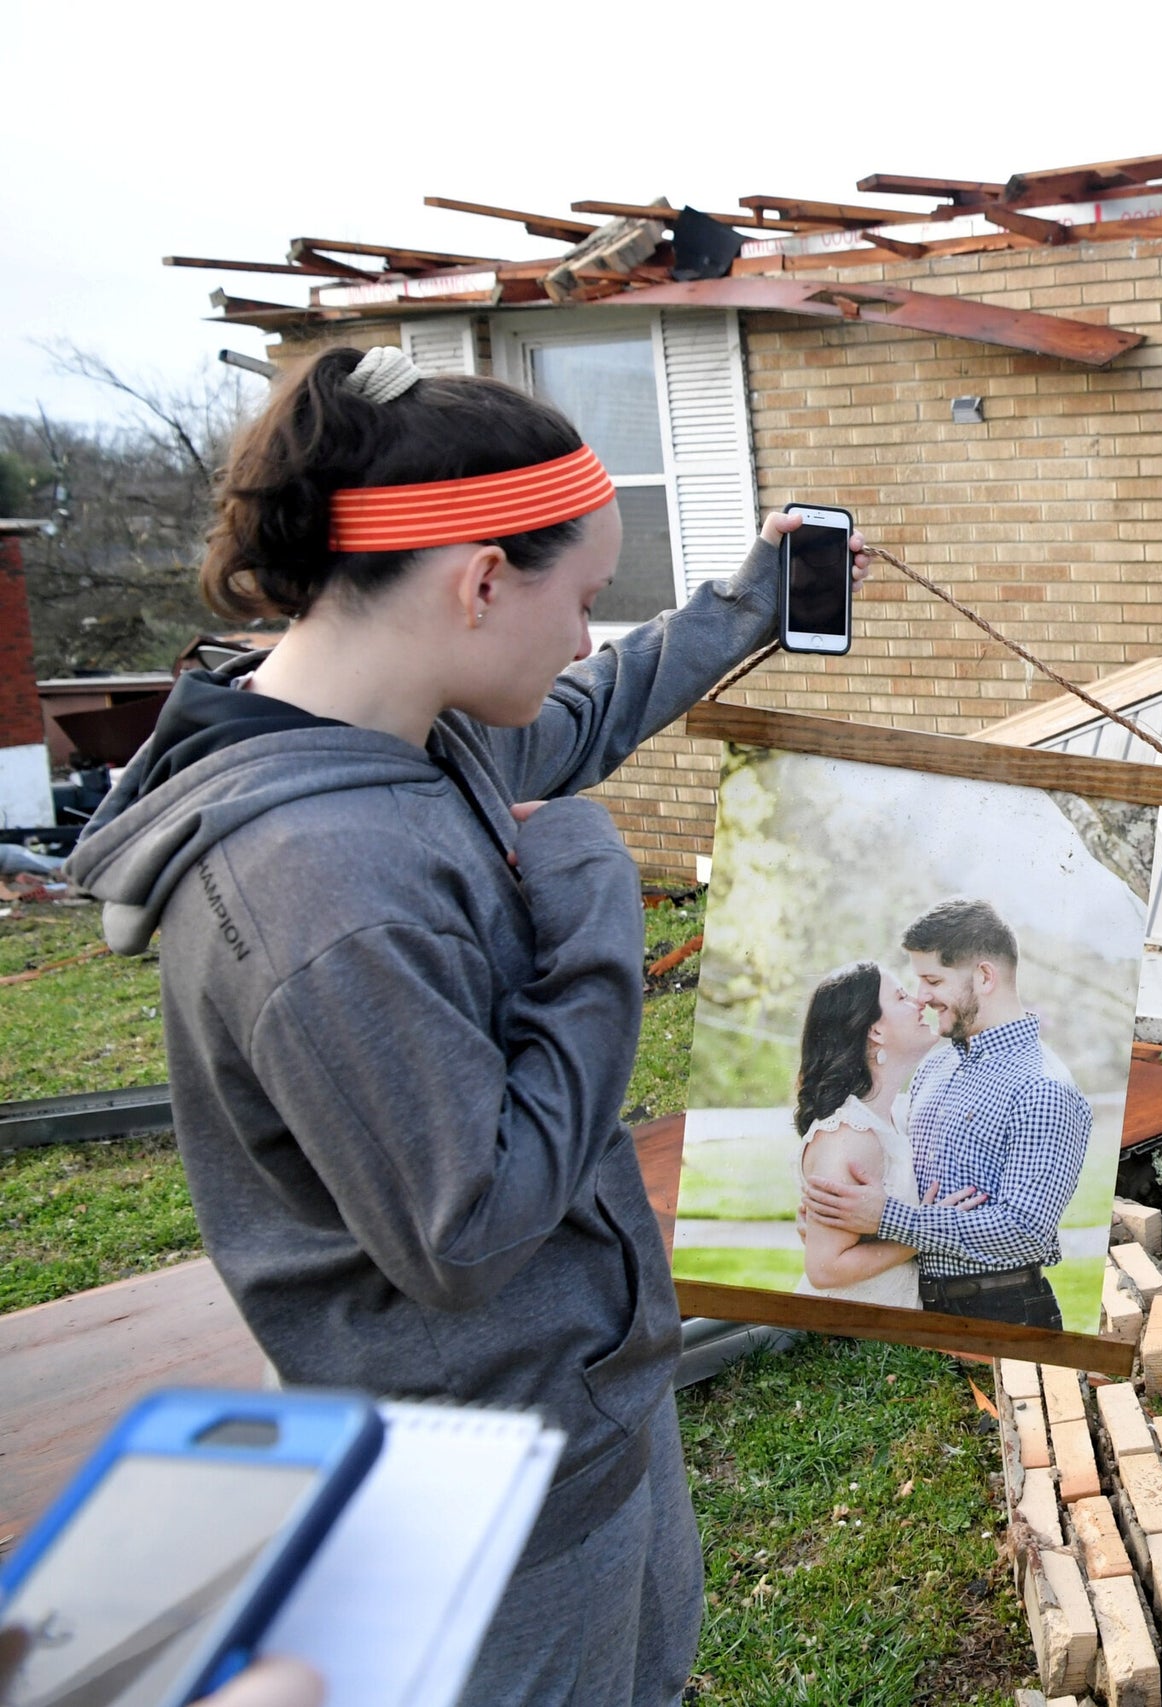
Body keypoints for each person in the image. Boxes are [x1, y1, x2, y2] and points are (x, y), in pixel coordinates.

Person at [63, 343, 871, 1707]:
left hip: (584, 1409)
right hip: (490, 1477)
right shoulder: (322, 891)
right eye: (582, 597)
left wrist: (747, 607)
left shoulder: (414, 726)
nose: (583, 638)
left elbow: (577, 713)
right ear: (480, 578)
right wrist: (597, 911)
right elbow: (470, 1226)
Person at [799, 899, 1089, 1328]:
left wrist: (887, 1218)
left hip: (1001, 1311)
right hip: (919, 1303)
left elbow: (1026, 1231)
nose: (922, 997)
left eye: (932, 980)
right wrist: (837, 1224)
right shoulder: (937, 1063)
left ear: (984, 976)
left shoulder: (1043, 1087)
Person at [789, 961, 978, 1306]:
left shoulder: (896, 1116)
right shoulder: (847, 1136)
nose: (920, 1001)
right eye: (902, 997)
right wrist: (929, 1231)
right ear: (874, 1031)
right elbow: (824, 1269)